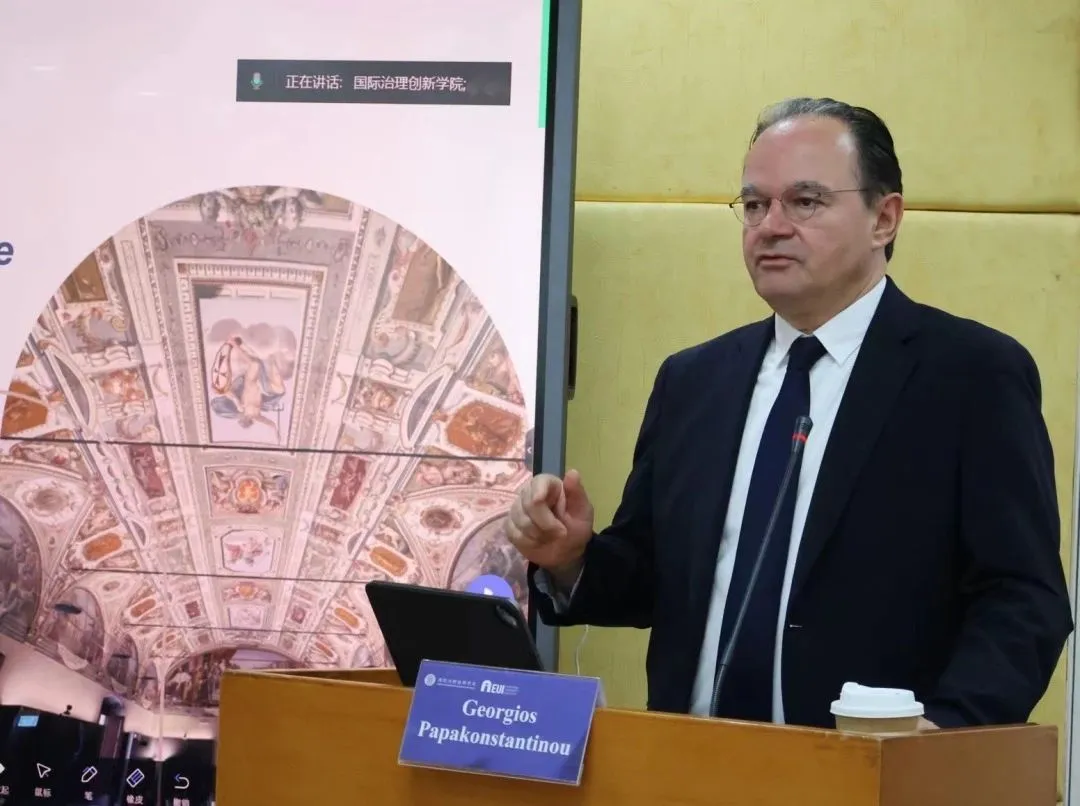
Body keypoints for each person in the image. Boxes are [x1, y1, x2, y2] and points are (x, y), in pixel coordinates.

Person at [505, 97, 1074, 730]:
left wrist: (943, 735)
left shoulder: (970, 375)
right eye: (754, 205)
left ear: (884, 218)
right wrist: (571, 558)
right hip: (689, 761)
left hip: (873, 765)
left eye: (805, 202)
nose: (770, 226)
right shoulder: (694, 381)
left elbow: (1023, 598)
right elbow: (656, 581)